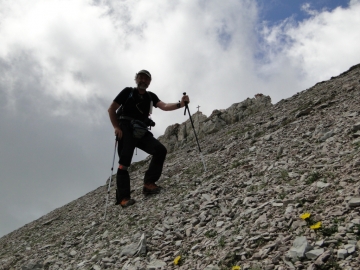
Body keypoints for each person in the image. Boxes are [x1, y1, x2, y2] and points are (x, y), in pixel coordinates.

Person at [108, 70, 190, 208]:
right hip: (125, 129)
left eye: (146, 79)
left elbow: (163, 106)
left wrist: (180, 104)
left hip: (140, 130)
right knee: (124, 163)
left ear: (149, 82)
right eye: (141, 78)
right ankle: (123, 198)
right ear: (136, 79)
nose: (143, 81)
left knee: (160, 150)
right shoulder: (127, 92)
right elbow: (112, 109)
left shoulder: (150, 96)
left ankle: (149, 184)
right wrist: (116, 127)